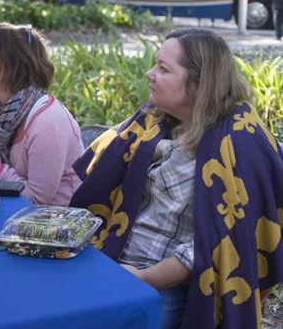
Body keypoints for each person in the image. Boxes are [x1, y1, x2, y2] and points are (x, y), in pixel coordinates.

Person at [69, 28, 283, 329]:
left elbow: (214, 245)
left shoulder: (238, 146)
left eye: (163, 68)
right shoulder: (158, 120)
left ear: (199, 84)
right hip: (114, 260)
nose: (149, 73)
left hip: (170, 288)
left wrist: (142, 278)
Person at [0, 23, 83, 206]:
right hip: (12, 208)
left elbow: (37, 200)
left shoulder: (47, 122)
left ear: (17, 64)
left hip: (57, 219)